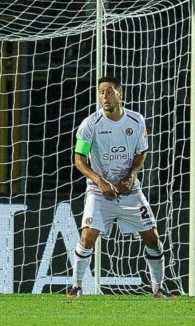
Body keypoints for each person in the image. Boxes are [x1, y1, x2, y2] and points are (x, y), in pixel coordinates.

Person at [67, 76, 175, 299]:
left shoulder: (136, 121)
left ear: (120, 93)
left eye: (109, 91)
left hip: (130, 192)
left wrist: (132, 175)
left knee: (153, 239)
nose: (104, 97)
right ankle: (76, 287)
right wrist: (100, 181)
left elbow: (141, 153)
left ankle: (158, 289)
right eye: (101, 92)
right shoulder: (90, 125)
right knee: (87, 237)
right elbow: (79, 160)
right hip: (99, 191)